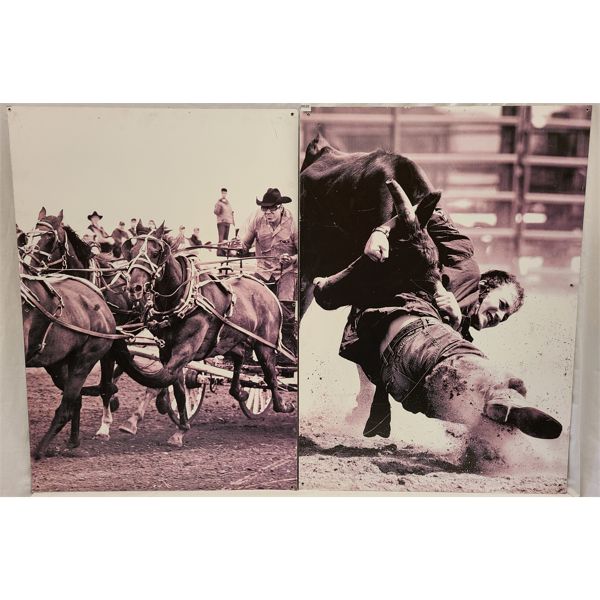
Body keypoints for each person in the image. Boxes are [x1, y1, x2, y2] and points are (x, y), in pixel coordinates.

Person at [333, 206, 560, 441]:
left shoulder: (459, 330)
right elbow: (430, 210)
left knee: (473, 406)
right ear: (484, 287)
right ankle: (503, 396)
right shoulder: (466, 264)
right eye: (502, 305)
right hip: (414, 342)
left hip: (403, 384)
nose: (500, 317)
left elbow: (368, 343)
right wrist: (382, 231)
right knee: (488, 377)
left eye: (506, 316)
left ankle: (491, 440)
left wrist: (366, 394)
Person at [231, 188, 298, 360]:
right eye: (264, 208)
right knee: (246, 305)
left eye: (271, 209)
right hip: (263, 271)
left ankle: (287, 357)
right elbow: (245, 244)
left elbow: (305, 252)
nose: (267, 212)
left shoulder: (294, 223)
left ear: (280, 207)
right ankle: (243, 354)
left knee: (285, 312)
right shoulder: (257, 219)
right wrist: (239, 247)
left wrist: (292, 259)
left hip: (287, 272)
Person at [214, 187, 235, 257]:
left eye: (225, 193)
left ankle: (224, 251)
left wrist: (232, 221)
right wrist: (218, 208)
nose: (224, 194)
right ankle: (219, 252)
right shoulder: (219, 202)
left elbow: (230, 212)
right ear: (221, 193)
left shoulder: (228, 203)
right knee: (221, 238)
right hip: (221, 222)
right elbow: (216, 212)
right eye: (223, 193)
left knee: (226, 239)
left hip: (228, 222)